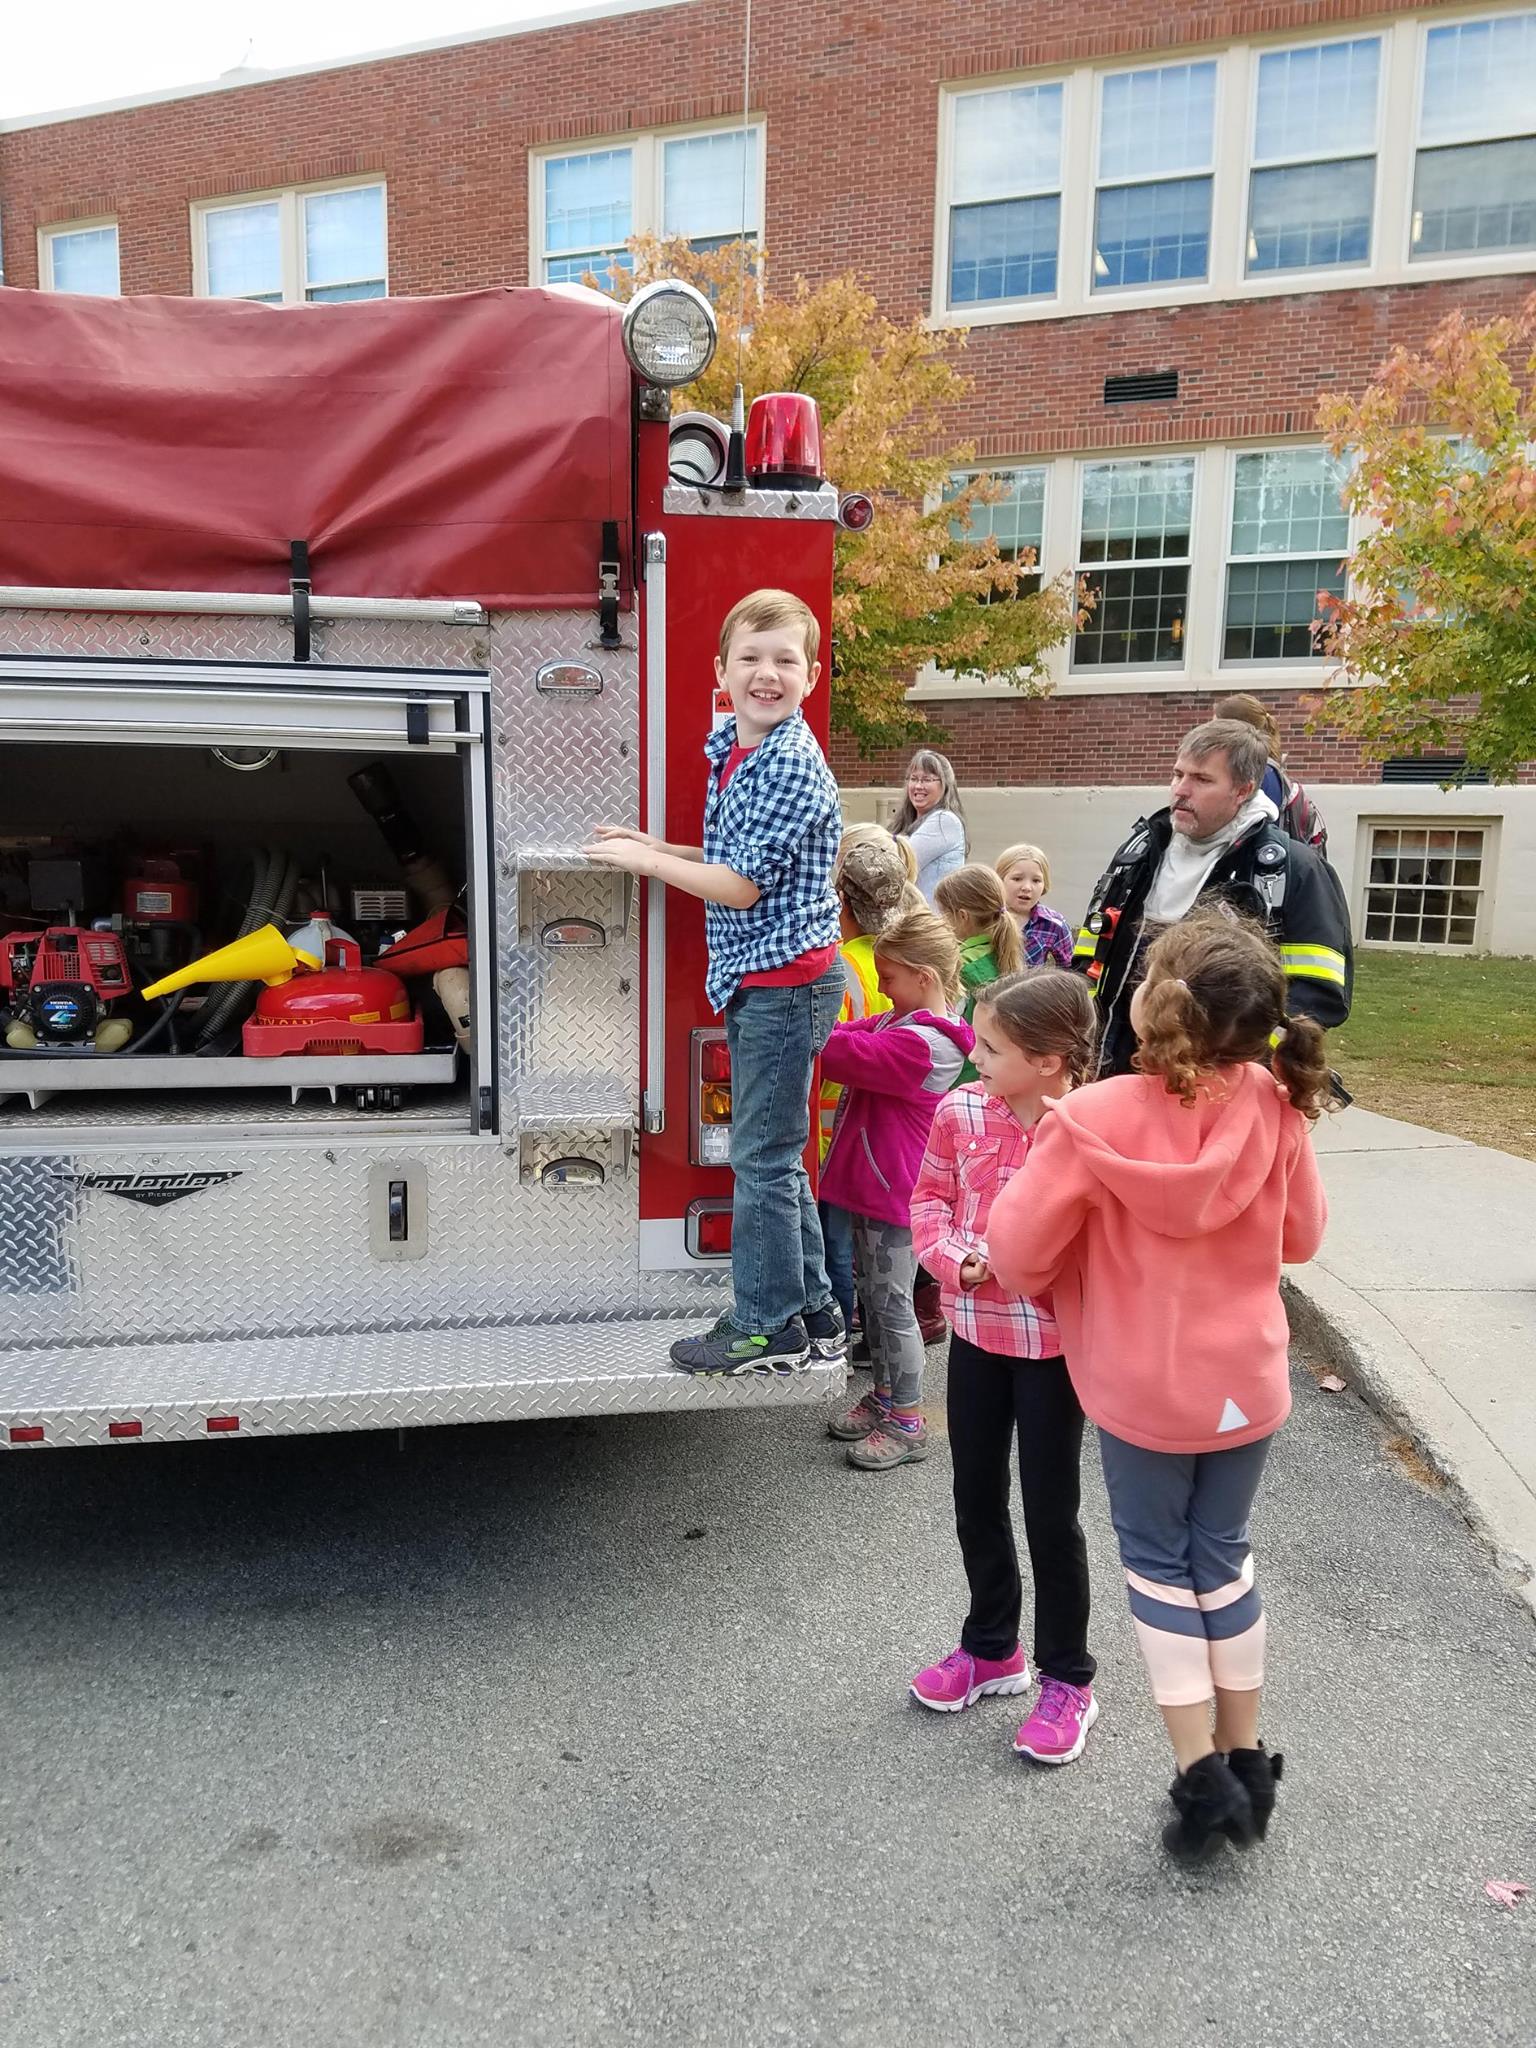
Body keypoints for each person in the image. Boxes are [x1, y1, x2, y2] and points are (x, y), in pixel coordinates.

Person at [987, 911, 1329, 1858]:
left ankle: (1199, 1780)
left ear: (1153, 1001)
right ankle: (1246, 1757)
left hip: (1143, 1390)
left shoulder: (1093, 1120)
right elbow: (1300, 1239)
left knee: (1158, 1570)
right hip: (1246, 1384)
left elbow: (1016, 1256)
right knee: (1223, 1555)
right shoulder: (1275, 1101)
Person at [586, 587, 845, 1376]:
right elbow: (730, 854)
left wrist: (647, 864)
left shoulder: (791, 764)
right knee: (779, 1155)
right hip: (764, 980)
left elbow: (742, 887)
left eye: (785, 661)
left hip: (786, 985)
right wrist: (658, 843)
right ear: (721, 671)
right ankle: (813, 1311)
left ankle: (765, 1329)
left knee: (761, 1161)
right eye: (751, 659)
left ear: (812, 673)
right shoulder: (736, 745)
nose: (767, 674)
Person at [909, 968, 1102, 1765]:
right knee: (974, 1498)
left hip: (1057, 1352)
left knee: (1052, 1515)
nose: (974, 1055)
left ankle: (1069, 1678)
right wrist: (956, 1263)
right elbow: (927, 1204)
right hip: (978, 1335)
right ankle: (993, 1647)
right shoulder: (958, 1111)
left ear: (1052, 1058)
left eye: (991, 1046)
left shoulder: (1091, 1129)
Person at [1071, 718, 1353, 1079]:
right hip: (1119, 1069)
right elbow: (1091, 954)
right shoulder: (1141, 851)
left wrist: (1236, 1058)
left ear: (1243, 790)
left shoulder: (1292, 871)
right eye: (1177, 774)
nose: (1180, 790)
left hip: (1217, 1084)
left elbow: (1316, 998)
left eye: (1202, 779)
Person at [819, 906, 971, 1471]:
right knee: (876, 1301)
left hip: (895, 1197)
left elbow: (840, 1051)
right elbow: (846, 1035)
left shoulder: (927, 1043)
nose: (881, 989)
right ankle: (885, 1397)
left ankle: (907, 1420)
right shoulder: (900, 1023)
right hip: (875, 1189)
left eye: (889, 978)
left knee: (892, 1306)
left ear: (924, 977)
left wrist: (800, 1017)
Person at [817, 827, 908, 1345]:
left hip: (835, 1136)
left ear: (842, 902)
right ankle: (875, 1340)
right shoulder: (902, 963)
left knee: (836, 1248)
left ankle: (841, 1335)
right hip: (885, 1137)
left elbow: (827, 1054)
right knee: (873, 1251)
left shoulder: (839, 968)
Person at [934, 863, 1023, 1085]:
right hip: (992, 1073)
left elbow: (945, 1025)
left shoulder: (960, 966)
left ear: (962, 916)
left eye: (944, 913)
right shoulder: (1003, 952)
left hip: (959, 1077)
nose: (941, 920)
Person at [1214, 692, 1328, 852]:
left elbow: (1256, 834)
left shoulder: (1263, 773)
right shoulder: (1264, 770)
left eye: (1215, 727)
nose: (1210, 734)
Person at [890, 749, 967, 902]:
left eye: (927, 780)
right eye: (914, 779)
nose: (918, 786)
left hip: (931, 922)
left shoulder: (944, 821)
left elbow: (900, 863)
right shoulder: (905, 823)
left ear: (944, 785)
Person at [995, 842, 1074, 969]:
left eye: (1036, 880)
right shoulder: (986, 917)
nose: (1027, 887)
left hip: (1029, 987)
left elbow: (1070, 969)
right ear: (999, 880)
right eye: (1017, 879)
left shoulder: (1053, 924)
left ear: (1044, 884)